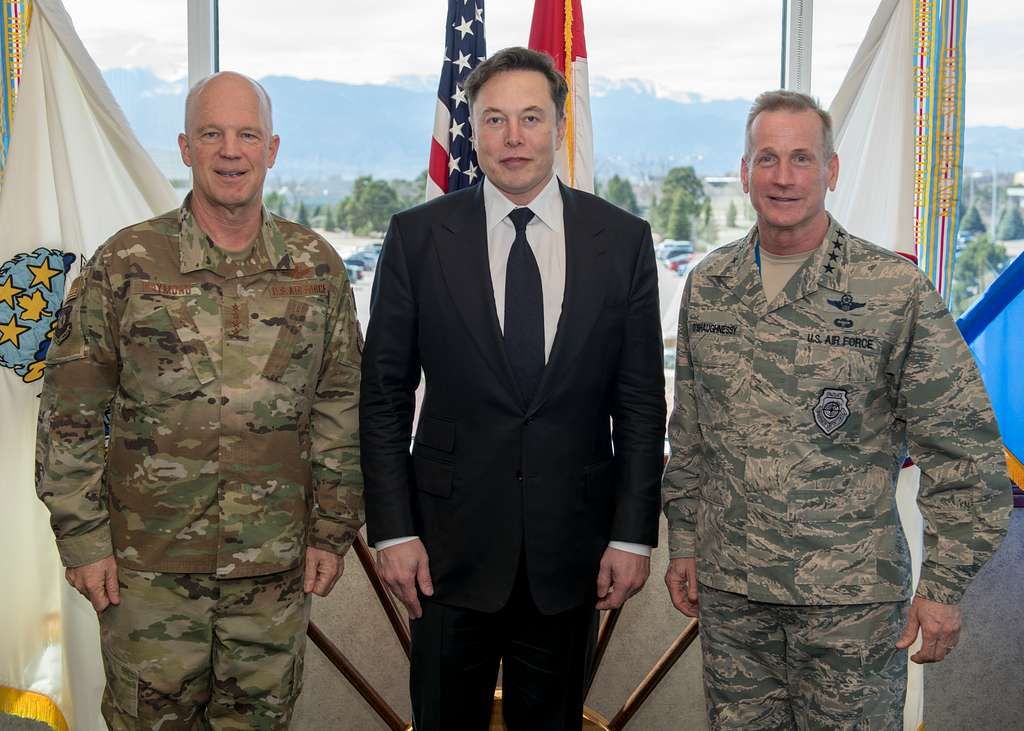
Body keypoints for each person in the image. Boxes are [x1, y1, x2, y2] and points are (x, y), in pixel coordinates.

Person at [662, 88, 1012, 729]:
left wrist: (942, 587)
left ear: (832, 170)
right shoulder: (710, 285)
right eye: (767, 159)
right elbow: (690, 433)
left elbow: (963, 449)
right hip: (733, 599)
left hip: (850, 607)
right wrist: (683, 541)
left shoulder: (892, 290)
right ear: (744, 172)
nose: (784, 176)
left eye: (802, 158)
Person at [35, 71, 364, 729]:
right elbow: (69, 413)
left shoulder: (317, 268)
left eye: (248, 135)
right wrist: (84, 540)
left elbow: (340, 408)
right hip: (146, 577)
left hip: (271, 575)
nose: (231, 151)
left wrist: (332, 530)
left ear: (272, 149)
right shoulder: (126, 262)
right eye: (212, 134)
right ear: (186, 147)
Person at [360, 47, 666, 730]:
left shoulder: (621, 240)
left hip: (572, 555)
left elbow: (641, 403)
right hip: (443, 554)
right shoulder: (417, 237)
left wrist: (633, 536)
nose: (513, 137)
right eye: (494, 119)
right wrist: (393, 529)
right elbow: (383, 395)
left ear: (559, 126)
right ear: (471, 130)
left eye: (531, 117)